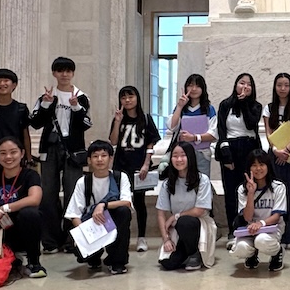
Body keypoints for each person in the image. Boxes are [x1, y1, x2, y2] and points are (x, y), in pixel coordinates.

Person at [31, 56, 93, 254]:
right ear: (54, 73)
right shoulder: (47, 96)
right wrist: (46, 105)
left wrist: (75, 107)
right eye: (60, 71)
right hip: (50, 148)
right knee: (47, 194)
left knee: (73, 194)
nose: (64, 74)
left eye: (68, 71)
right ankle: (50, 241)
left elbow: (85, 124)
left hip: (73, 151)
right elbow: (35, 123)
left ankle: (70, 240)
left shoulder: (82, 97)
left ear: (73, 73)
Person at [0, 136, 47, 278]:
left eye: (13, 152)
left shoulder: (30, 175)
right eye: (3, 153)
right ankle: (10, 257)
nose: (8, 157)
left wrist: (4, 208)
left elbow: (35, 199)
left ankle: (34, 262)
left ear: (22, 153)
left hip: (19, 228)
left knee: (30, 214)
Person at [64, 141, 133, 275]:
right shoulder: (83, 182)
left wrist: (103, 205)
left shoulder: (120, 177)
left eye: (104, 155)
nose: (100, 159)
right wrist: (84, 235)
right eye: (95, 156)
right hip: (92, 225)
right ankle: (94, 256)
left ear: (111, 158)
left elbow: (126, 203)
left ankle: (117, 261)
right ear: (89, 160)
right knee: (79, 250)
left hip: (112, 222)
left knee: (123, 212)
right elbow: (74, 214)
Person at [109, 85, 160, 253]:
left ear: (137, 98)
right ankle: (119, 237)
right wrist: (117, 122)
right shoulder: (119, 118)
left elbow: (151, 144)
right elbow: (113, 141)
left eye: (130, 96)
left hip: (139, 168)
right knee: (119, 201)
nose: (127, 100)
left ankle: (141, 237)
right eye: (124, 97)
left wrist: (146, 164)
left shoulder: (145, 118)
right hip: (120, 167)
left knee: (139, 203)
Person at [216, 72, 263, 246]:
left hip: (249, 149)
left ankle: (250, 227)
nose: (245, 86)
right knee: (231, 192)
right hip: (230, 149)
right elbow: (221, 129)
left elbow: (251, 124)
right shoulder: (225, 104)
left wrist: (244, 103)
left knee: (249, 189)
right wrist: (225, 152)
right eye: (242, 83)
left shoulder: (256, 106)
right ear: (236, 85)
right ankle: (233, 229)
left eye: (249, 84)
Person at [263, 72, 290, 250]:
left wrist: (287, 150)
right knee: (277, 193)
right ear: (275, 87)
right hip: (275, 154)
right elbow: (268, 132)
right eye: (279, 85)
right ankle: (277, 233)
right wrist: (276, 150)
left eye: (286, 85)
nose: (282, 88)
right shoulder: (268, 108)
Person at [157, 142, 216, 271]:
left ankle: (194, 253)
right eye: (175, 156)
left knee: (185, 222)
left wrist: (175, 216)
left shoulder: (202, 180)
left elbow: (199, 210)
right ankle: (185, 252)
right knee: (168, 264)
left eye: (183, 155)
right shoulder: (168, 184)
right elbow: (161, 213)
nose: (179, 159)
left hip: (197, 223)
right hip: (178, 226)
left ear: (190, 157)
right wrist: (166, 239)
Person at [230, 149, 288, 272]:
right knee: (241, 248)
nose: (258, 169)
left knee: (262, 240)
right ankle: (251, 254)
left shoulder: (278, 187)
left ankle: (277, 252)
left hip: (271, 228)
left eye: (261, 164)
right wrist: (251, 193)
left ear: (268, 166)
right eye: (254, 165)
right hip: (249, 230)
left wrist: (260, 224)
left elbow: (277, 216)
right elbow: (247, 218)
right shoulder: (242, 189)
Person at [167, 73, 218, 177]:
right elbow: (172, 126)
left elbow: (214, 134)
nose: (194, 89)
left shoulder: (209, 109)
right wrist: (180, 106)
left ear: (203, 89)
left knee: (202, 181)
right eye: (190, 85)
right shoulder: (181, 108)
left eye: (198, 86)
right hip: (183, 154)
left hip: (202, 153)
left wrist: (194, 137)